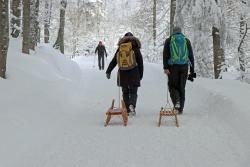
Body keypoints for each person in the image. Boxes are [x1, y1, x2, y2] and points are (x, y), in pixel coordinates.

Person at [106, 32, 143, 116]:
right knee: (133, 92)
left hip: (122, 72)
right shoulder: (135, 47)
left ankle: (126, 109)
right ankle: (132, 106)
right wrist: (140, 75)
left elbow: (114, 61)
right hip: (134, 72)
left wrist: (108, 71)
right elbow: (140, 62)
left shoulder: (120, 47)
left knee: (125, 92)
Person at [163, 26, 195, 114]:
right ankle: (180, 109)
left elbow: (165, 54)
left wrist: (165, 67)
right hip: (184, 67)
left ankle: (176, 103)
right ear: (181, 32)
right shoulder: (186, 40)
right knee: (182, 87)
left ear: (173, 32)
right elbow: (191, 56)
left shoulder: (169, 40)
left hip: (173, 67)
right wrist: (192, 71)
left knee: (172, 86)